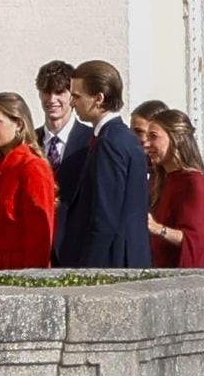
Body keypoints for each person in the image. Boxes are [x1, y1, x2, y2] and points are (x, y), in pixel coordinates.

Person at [57, 60, 152, 268]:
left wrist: (87, 270)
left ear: (98, 99)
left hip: (113, 261)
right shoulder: (122, 137)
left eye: (77, 96)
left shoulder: (110, 142)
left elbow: (105, 216)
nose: (72, 103)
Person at [0, 92, 56, 270]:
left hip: (20, 267)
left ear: (19, 124)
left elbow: (40, 236)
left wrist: (32, 281)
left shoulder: (32, 167)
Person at [33, 60, 93, 264]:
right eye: (46, 92)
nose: (52, 99)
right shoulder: (30, 142)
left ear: (72, 95)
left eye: (60, 92)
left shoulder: (91, 141)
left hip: (75, 249)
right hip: (37, 248)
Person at [143, 109, 204, 268]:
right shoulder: (164, 178)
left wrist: (157, 229)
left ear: (175, 138)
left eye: (153, 137)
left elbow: (194, 241)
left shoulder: (193, 182)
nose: (146, 144)